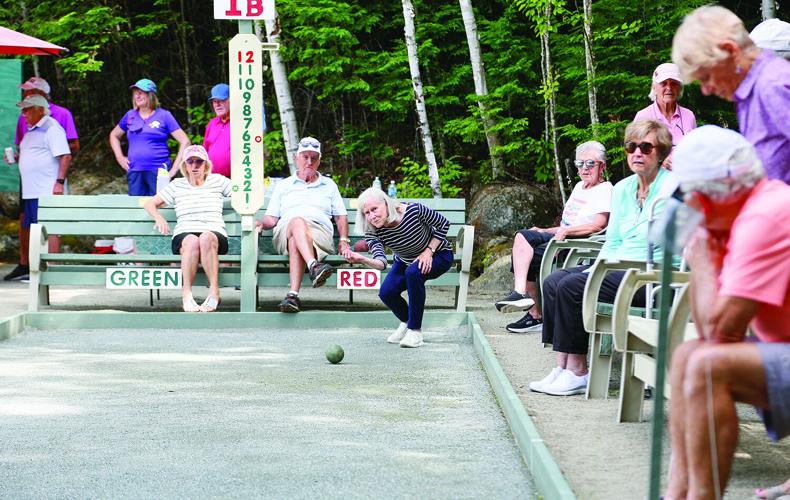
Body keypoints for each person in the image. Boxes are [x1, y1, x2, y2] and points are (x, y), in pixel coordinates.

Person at [663, 125, 790, 500]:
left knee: (707, 365)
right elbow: (709, 333)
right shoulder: (747, 213)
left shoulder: (763, 218)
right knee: (689, 354)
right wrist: (709, 252)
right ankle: (677, 493)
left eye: (689, 198)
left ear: (707, 197)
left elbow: (721, 334)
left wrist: (701, 255)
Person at [530, 119, 675, 396]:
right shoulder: (622, 189)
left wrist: (599, 274)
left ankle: (578, 372)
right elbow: (614, 240)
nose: (637, 153)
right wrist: (596, 268)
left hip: (651, 275)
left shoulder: (672, 188)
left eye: (646, 147)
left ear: (661, 152)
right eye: (631, 147)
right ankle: (562, 366)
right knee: (554, 280)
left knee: (573, 288)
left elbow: (655, 244)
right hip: (619, 268)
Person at [495, 140, 612, 333]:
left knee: (532, 254)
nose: (584, 168)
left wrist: (565, 232)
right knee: (524, 236)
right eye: (580, 164)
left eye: (590, 163)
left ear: (602, 166)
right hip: (562, 237)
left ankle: (535, 314)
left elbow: (598, 225)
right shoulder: (579, 187)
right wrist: (544, 230)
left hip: (577, 244)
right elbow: (567, 225)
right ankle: (521, 294)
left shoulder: (605, 189)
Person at [672, 5, 790, 184]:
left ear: (730, 50)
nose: (706, 90)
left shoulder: (772, 85)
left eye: (706, 77)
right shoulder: (751, 92)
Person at [341, 188, 455, 348]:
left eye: (374, 209)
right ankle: (407, 322)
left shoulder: (414, 210)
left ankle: (415, 331)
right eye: (366, 213)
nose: (372, 216)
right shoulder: (372, 230)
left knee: (413, 273)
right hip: (406, 260)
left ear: (387, 204)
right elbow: (381, 263)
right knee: (386, 292)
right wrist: (362, 259)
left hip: (439, 254)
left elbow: (443, 223)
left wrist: (429, 251)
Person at [255, 137, 349, 313]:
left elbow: (341, 216)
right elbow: (272, 219)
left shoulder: (329, 185)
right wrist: (260, 223)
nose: (309, 162)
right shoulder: (284, 185)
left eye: (314, 158)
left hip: (319, 234)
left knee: (295, 241)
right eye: (305, 157)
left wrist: (344, 240)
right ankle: (314, 265)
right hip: (285, 230)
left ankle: (293, 296)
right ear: (296, 158)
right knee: (297, 221)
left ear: (319, 161)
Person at [3, 76, 79, 282]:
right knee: (33, 227)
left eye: (27, 109)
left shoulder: (52, 126)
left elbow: (66, 154)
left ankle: (51, 269)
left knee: (49, 228)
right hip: (30, 189)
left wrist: (59, 182)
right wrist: (18, 158)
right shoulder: (30, 129)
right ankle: (35, 268)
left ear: (39, 108)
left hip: (46, 189)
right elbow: (33, 154)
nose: (23, 113)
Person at [143, 145, 232, 312]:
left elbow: (243, 193)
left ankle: (214, 292)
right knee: (191, 241)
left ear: (206, 164)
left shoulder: (218, 180)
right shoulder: (178, 185)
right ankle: (186, 294)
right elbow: (150, 204)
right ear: (184, 165)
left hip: (214, 232)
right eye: (190, 161)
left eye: (199, 161)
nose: (195, 165)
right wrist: (159, 217)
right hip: (185, 232)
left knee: (205, 237)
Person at [109, 78, 190, 195]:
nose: (137, 96)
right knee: (136, 208)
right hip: (135, 170)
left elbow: (185, 141)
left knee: (159, 206)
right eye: (135, 93)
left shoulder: (164, 115)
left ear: (151, 95)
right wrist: (120, 157)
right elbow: (114, 135)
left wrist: (174, 170)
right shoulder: (130, 115)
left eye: (141, 93)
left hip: (158, 172)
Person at [634, 63, 696, 170]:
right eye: (663, 83)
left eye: (673, 83)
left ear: (679, 88)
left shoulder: (688, 116)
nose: (669, 88)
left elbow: (696, 151)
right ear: (654, 86)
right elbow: (636, 157)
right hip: (655, 181)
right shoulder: (643, 117)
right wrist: (661, 163)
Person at [202, 83, 231, 178]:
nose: (217, 105)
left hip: (235, 180)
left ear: (231, 100)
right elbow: (204, 151)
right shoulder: (212, 123)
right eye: (215, 101)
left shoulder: (240, 123)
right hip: (212, 180)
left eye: (221, 100)